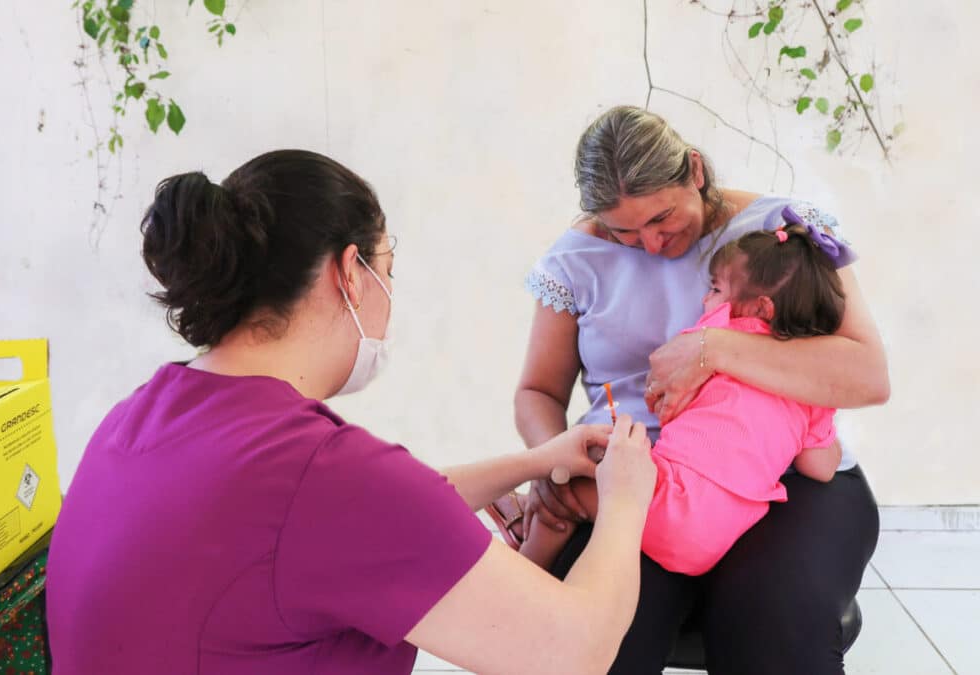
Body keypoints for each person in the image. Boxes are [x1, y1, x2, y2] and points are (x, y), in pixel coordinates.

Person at [45, 149, 657, 675]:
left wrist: (533, 461)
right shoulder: (322, 476)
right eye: (386, 268)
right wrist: (627, 500)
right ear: (349, 273)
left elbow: (332, 525)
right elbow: (574, 651)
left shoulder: (141, 416)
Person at [513, 106, 886, 674]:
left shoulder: (778, 235)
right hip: (641, 479)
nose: (654, 244)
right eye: (625, 232)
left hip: (778, 479)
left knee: (771, 626)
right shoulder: (574, 262)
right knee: (597, 639)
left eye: (663, 217)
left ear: (695, 171)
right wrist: (555, 463)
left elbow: (867, 375)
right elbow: (537, 392)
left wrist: (713, 350)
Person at [493, 218, 852, 576]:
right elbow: (819, 468)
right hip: (724, 535)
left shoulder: (713, 333)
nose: (705, 298)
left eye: (715, 289)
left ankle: (525, 567)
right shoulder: (808, 386)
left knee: (565, 489)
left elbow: (664, 406)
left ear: (761, 309)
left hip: (667, 503)